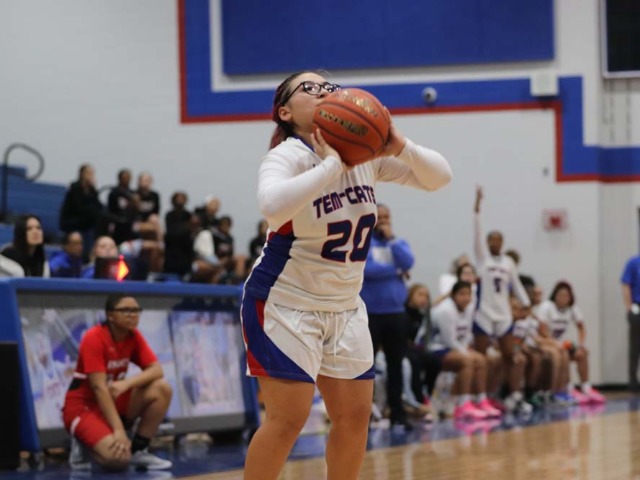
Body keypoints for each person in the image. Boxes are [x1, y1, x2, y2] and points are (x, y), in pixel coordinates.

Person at [240, 70, 451, 480]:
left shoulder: (365, 156)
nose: (322, 91)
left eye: (328, 86)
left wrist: (400, 145)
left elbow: (440, 178)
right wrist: (331, 166)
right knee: (288, 420)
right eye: (309, 88)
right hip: (285, 302)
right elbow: (272, 206)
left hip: (345, 307)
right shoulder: (287, 156)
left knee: (355, 418)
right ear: (285, 112)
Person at [61, 293, 172, 471]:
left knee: (162, 388)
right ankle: (83, 443)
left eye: (136, 310)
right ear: (110, 315)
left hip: (111, 400)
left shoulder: (133, 336)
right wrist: (119, 430)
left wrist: (127, 383)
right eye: (126, 310)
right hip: (84, 407)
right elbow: (99, 388)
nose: (132, 315)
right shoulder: (94, 337)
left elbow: (157, 370)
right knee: (118, 459)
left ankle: (139, 450)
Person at [472, 186, 532, 414]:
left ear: (503, 242)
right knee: (481, 358)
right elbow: (477, 233)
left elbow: (516, 284)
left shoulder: (508, 263)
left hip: (504, 313)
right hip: (484, 312)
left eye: (498, 240)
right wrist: (477, 208)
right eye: (491, 239)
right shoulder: (482, 259)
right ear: (487, 242)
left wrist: (526, 303)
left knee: (511, 356)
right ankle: (480, 397)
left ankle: (514, 395)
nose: (495, 242)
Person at [361, 203, 415, 429]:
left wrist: (392, 240)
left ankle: (397, 413)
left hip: (396, 314)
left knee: (396, 366)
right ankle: (366, 415)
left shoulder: (398, 243)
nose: (383, 221)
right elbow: (367, 270)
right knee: (366, 368)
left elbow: (408, 262)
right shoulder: (363, 243)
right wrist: (396, 270)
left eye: (386, 217)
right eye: (379, 217)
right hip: (371, 315)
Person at [429, 281, 502, 419]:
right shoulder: (446, 311)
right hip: (437, 348)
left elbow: (467, 334)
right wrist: (466, 353)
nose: (466, 298)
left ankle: (481, 400)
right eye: (462, 294)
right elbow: (448, 340)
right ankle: (463, 403)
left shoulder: (468, 309)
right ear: (453, 295)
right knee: (467, 361)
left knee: (481, 359)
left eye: (468, 294)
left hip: (455, 347)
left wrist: (466, 350)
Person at [537, 281, 605, 403]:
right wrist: (555, 343)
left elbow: (581, 327)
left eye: (566, 296)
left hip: (562, 343)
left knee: (582, 353)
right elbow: (541, 331)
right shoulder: (547, 307)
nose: (563, 298)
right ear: (554, 295)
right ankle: (566, 388)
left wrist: (581, 344)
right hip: (547, 342)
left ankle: (586, 387)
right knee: (563, 353)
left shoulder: (572, 308)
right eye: (560, 295)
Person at [59, 164, 104, 261]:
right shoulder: (75, 188)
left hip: (86, 225)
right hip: (74, 223)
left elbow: (98, 206)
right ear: (82, 174)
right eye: (88, 173)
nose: (90, 176)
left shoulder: (92, 190)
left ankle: (87, 259)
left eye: (92, 173)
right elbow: (80, 207)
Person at [621, 254, 640, 392]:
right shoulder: (633, 262)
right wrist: (629, 308)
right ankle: (633, 382)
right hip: (637, 307)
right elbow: (626, 284)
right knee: (635, 346)